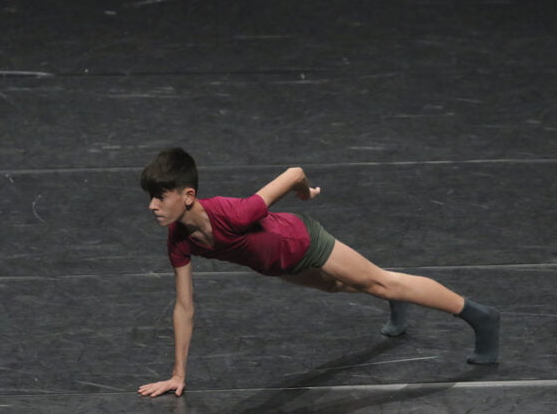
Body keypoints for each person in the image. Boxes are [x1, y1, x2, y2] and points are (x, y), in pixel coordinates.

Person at [137, 148, 500, 398]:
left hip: (304, 241)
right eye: (150, 198)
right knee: (343, 287)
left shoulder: (235, 214)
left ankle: (480, 316)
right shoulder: (178, 239)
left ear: (187, 195)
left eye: (160, 197)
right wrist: (178, 374)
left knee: (380, 281)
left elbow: (294, 173)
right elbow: (184, 306)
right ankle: (395, 302)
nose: (152, 206)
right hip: (281, 265)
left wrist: (306, 194)